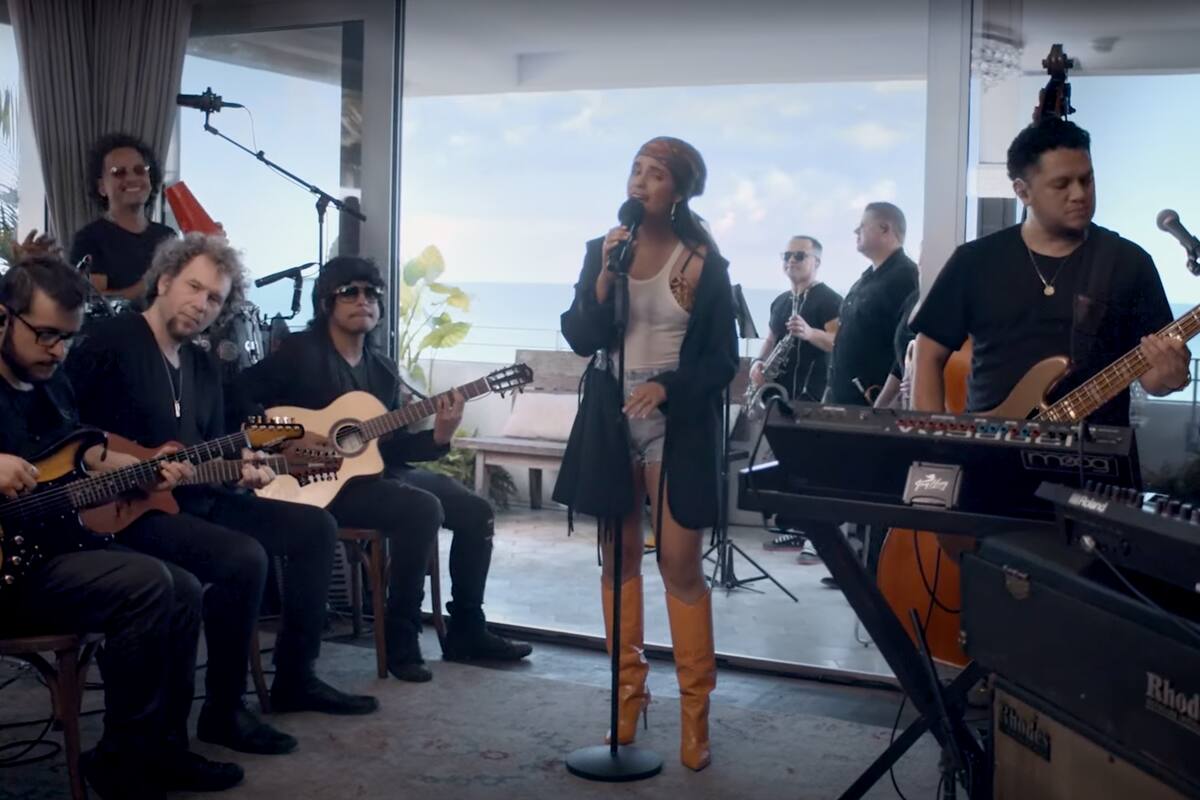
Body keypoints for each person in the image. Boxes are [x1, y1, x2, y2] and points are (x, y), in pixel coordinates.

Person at [66, 233, 379, 758]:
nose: (201, 304)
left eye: (214, 299)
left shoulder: (202, 366)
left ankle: (294, 678)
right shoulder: (110, 343)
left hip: (194, 497)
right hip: (124, 509)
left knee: (313, 528)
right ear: (164, 281)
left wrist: (242, 469)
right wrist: (122, 465)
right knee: (241, 558)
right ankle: (219, 711)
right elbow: (64, 426)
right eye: (193, 287)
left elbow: (206, 450)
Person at [0, 254, 243, 798]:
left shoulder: (51, 383)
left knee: (179, 586)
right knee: (149, 585)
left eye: (66, 338)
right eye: (44, 335)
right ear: (2, 318)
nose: (57, 351)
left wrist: (139, 470)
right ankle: (127, 764)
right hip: (9, 575)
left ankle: (149, 750)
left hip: (43, 554)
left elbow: (83, 453)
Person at [237, 255, 532, 683]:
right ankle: (401, 637)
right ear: (326, 303)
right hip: (315, 483)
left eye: (372, 294)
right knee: (421, 509)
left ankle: (467, 628)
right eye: (350, 292)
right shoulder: (300, 355)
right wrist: (291, 440)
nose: (364, 301)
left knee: (475, 510)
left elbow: (388, 450)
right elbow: (240, 396)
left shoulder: (382, 370)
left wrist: (440, 435)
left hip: (373, 475)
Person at [559, 136, 738, 771]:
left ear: (681, 189)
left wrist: (668, 387)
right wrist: (605, 275)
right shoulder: (603, 249)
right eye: (636, 170)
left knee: (680, 565)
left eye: (656, 174)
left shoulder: (703, 262)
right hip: (611, 420)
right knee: (619, 560)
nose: (640, 182)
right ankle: (628, 701)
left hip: (677, 422)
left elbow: (723, 361)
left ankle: (697, 716)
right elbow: (581, 335)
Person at [910, 118, 1189, 425]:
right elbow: (928, 353)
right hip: (991, 456)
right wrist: (931, 439)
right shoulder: (974, 261)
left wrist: (1172, 376)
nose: (1079, 194)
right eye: (1062, 184)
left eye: (1087, 180)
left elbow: (1152, 378)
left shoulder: (1129, 262)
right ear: (1023, 192)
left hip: (1092, 460)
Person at [749, 235, 841, 555]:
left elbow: (839, 342)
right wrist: (758, 363)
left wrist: (809, 332)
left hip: (813, 394)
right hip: (782, 393)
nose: (791, 260)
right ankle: (792, 530)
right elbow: (772, 338)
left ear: (816, 261)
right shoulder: (780, 302)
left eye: (799, 255)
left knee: (811, 466)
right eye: (786, 255)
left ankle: (817, 538)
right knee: (784, 463)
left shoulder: (828, 299)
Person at [825, 202, 919, 405]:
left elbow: (907, 346)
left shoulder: (906, 278)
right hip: (842, 397)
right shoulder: (865, 279)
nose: (855, 231)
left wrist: (885, 403)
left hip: (873, 404)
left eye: (862, 226)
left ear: (885, 228)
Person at [69, 133, 176, 301]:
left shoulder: (167, 236)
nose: (132, 178)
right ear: (102, 187)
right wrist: (146, 284)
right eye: (119, 172)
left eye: (140, 170)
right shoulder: (89, 239)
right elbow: (94, 303)